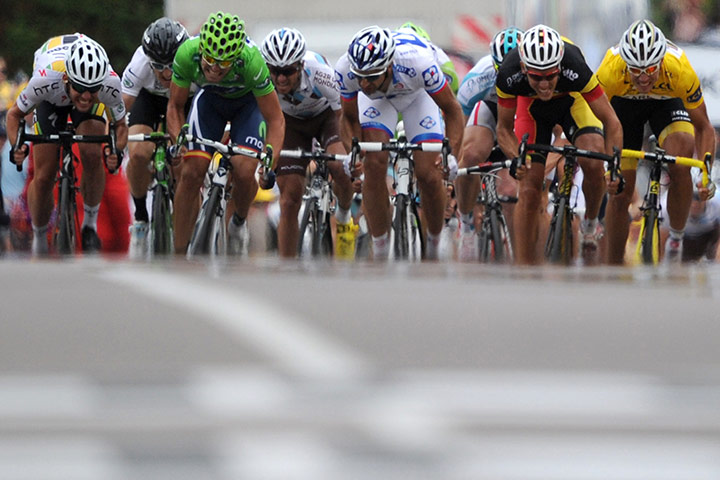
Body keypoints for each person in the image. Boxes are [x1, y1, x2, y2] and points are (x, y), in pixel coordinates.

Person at [495, 24, 622, 265]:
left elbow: (611, 120)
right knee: (531, 186)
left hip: (571, 102)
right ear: (524, 68)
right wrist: (517, 160)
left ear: (560, 67)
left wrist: (613, 167)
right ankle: (524, 267)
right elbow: (503, 129)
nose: (544, 84)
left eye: (550, 76)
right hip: (531, 110)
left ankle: (590, 224)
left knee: (593, 159)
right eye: (536, 77)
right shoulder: (509, 72)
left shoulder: (574, 63)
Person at [336, 26, 464, 261]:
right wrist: (353, 155)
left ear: (390, 65)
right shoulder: (346, 69)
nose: (364, 83)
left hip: (417, 97)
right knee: (374, 163)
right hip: (377, 103)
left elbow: (453, 110)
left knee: (429, 172)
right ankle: (381, 245)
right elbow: (349, 118)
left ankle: (434, 243)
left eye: (372, 76)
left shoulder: (419, 62)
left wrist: (451, 155)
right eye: (360, 76)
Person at [596, 19, 716, 264]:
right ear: (625, 64)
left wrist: (705, 174)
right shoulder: (609, 69)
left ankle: (675, 237)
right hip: (624, 106)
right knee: (620, 191)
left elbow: (704, 126)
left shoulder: (680, 68)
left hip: (666, 103)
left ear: (661, 61)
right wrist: (611, 169)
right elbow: (601, 122)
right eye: (635, 70)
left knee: (681, 159)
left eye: (650, 70)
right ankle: (613, 263)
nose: (642, 78)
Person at [167, 11, 284, 256]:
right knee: (191, 172)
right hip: (210, 103)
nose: (214, 70)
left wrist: (268, 162)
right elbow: (175, 106)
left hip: (247, 107)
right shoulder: (187, 53)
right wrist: (178, 141)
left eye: (223, 64)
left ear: (236, 57)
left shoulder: (252, 62)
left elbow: (275, 119)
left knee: (243, 169)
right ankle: (178, 251)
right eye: (208, 61)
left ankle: (238, 221)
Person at [6, 35, 127, 255]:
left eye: (93, 89)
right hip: (52, 99)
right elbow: (14, 115)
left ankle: (89, 225)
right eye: (80, 88)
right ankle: (40, 235)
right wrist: (17, 146)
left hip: (79, 92)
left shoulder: (110, 84)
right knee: (43, 175)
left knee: (92, 153)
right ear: (66, 79)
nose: (86, 96)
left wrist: (114, 150)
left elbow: (120, 125)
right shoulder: (45, 79)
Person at [259, 27, 356, 259]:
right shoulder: (261, 77)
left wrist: (353, 156)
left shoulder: (320, 73)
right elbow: (262, 122)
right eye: (275, 71)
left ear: (301, 66)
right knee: (290, 198)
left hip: (326, 119)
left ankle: (343, 214)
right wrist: (264, 165)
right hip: (289, 124)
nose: (281, 78)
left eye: (288, 71)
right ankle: (287, 264)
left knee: (339, 167)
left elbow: (344, 116)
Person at [122, 17, 189, 257]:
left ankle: (184, 219)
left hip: (184, 99)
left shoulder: (194, 60)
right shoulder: (140, 62)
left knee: (185, 165)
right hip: (148, 99)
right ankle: (141, 218)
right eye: (158, 66)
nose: (166, 72)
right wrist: (116, 141)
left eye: (171, 65)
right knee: (138, 152)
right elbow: (122, 108)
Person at [455, 27, 523, 261]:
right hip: (490, 110)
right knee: (471, 155)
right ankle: (466, 224)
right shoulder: (477, 78)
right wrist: (454, 163)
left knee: (511, 188)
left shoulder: (535, 73)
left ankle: (518, 251)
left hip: (519, 113)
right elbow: (457, 126)